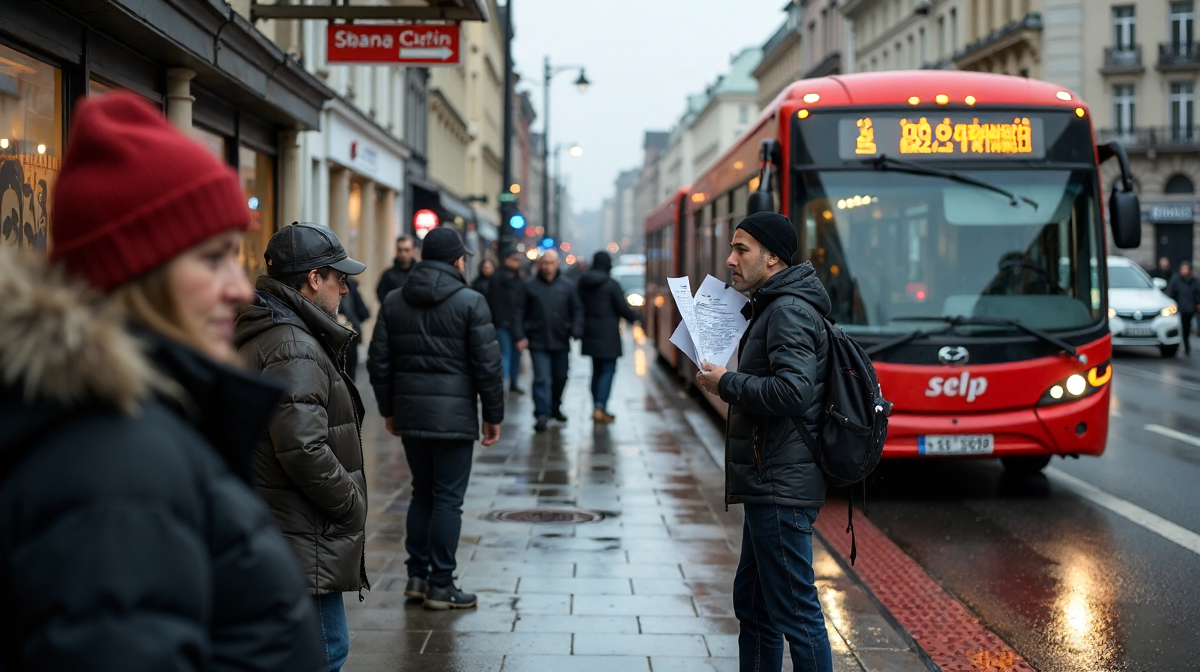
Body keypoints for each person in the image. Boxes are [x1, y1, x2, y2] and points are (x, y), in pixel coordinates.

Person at [0, 92, 324, 670]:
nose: (238, 286)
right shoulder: (116, 463)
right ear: (138, 272)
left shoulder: (133, 423)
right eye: (212, 258)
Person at [694, 211, 833, 672]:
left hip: (781, 484)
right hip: (768, 478)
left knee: (796, 612)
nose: (730, 260)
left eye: (741, 249)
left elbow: (794, 392)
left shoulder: (788, 310)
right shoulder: (774, 304)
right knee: (754, 608)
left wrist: (727, 383)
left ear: (772, 257)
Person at [234, 223, 370, 672]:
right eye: (340, 278)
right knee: (326, 653)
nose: (345, 289)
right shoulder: (295, 343)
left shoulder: (277, 328)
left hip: (283, 529)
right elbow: (303, 448)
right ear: (315, 279)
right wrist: (351, 506)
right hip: (303, 535)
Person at [367, 227, 504, 610]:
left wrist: (389, 409)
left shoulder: (395, 300)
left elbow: (379, 360)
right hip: (455, 418)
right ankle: (441, 585)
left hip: (411, 415)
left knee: (421, 494)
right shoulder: (470, 301)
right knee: (447, 500)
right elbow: (488, 367)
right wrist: (492, 416)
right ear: (457, 260)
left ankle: (416, 575)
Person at [523, 249, 584, 432]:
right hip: (538, 339)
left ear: (557, 264)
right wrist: (520, 335)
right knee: (541, 377)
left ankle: (555, 406)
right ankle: (542, 413)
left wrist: (576, 329)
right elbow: (519, 310)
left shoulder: (567, 286)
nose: (548, 267)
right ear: (540, 265)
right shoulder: (529, 285)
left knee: (560, 376)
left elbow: (577, 310)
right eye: (545, 263)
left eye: (551, 263)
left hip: (560, 339)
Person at [577, 251, 642, 423]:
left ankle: (596, 406)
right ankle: (600, 407)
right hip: (608, 335)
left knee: (596, 371)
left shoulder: (583, 283)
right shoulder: (611, 284)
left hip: (590, 334)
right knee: (608, 370)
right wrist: (635, 317)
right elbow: (622, 307)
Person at [486, 247, 528, 395]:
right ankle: (502, 384)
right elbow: (493, 301)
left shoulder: (520, 280)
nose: (516, 263)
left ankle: (513, 383)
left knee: (515, 355)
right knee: (506, 354)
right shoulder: (498, 278)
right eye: (513, 259)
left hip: (516, 325)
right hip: (503, 323)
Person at [340, 276, 371, 382]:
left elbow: (362, 311)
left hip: (349, 332)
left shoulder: (350, 286)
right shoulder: (351, 286)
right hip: (349, 332)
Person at [1166, 261, 1200, 355]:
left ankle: (1186, 346)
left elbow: (1196, 293)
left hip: (1190, 308)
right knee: (1181, 327)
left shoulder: (1193, 281)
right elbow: (1170, 293)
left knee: (1187, 328)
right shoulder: (1176, 280)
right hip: (1179, 308)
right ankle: (1182, 346)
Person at [376, 234, 417, 304]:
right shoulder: (388, 275)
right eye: (400, 250)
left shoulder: (418, 273)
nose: (403, 254)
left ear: (413, 251)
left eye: (406, 250)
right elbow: (382, 295)